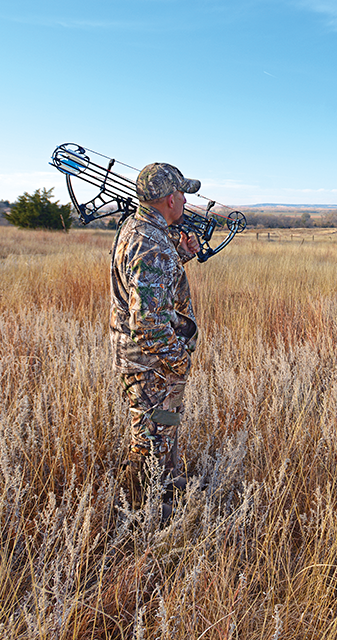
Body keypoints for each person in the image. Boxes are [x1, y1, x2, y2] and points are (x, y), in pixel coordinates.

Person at [111, 162, 202, 519]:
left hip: (146, 361)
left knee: (159, 430)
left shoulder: (139, 229)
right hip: (153, 365)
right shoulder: (151, 245)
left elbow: (147, 284)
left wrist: (180, 255)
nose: (184, 200)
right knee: (150, 438)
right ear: (170, 198)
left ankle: (162, 494)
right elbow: (147, 323)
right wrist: (178, 357)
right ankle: (142, 516)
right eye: (181, 193)